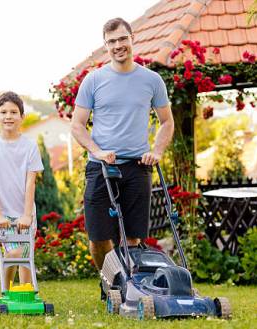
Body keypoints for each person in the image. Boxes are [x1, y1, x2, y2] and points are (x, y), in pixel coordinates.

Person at [70, 17, 174, 301]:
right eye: (112, 41)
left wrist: (158, 151)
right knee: (98, 237)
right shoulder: (93, 80)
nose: (118, 45)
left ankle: (131, 290)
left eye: (122, 39)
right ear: (106, 46)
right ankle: (110, 283)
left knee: (132, 238)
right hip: (102, 166)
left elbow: (166, 122)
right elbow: (77, 125)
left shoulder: (151, 80)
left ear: (131, 38)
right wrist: (98, 151)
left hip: (138, 166)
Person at [0, 91, 44, 288]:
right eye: (3, 112)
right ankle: (6, 290)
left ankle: (25, 294)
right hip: (3, 214)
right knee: (13, 254)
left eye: (14, 112)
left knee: (25, 255)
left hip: (25, 213)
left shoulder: (30, 146)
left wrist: (27, 215)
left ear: (22, 117)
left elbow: (30, 183)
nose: (8, 116)